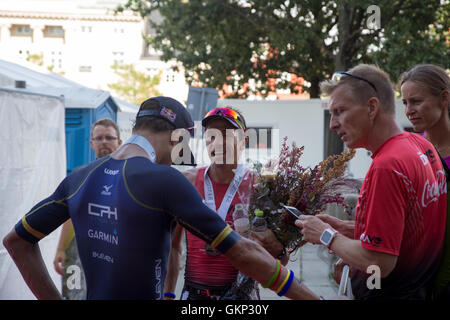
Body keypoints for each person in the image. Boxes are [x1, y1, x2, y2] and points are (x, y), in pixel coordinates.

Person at [2, 96, 320, 300]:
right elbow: (242, 252)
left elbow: (15, 242)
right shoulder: (165, 180)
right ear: (179, 137)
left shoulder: (79, 177)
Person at [295, 64, 447, 299]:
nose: (332, 124)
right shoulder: (421, 145)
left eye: (340, 111)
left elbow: (380, 261)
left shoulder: (387, 166)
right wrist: (348, 229)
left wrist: (326, 235)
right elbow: (409, 231)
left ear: (372, 107)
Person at [163, 107, 289, 300]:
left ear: (243, 142)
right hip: (194, 295)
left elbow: (282, 259)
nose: (218, 143)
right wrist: (168, 294)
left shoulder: (260, 186)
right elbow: (173, 246)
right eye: (211, 136)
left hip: (241, 296)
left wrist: (275, 247)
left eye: (227, 135)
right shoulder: (186, 182)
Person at [53, 118, 122, 299]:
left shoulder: (129, 175)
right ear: (91, 143)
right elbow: (71, 215)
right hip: (82, 252)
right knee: (74, 293)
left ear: (119, 142)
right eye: (99, 138)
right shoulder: (79, 175)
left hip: (118, 252)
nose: (104, 142)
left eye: (109, 137)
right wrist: (61, 248)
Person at [400, 64, 450, 299]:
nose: (409, 110)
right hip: (419, 278)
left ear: (444, 98)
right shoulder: (409, 150)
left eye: (416, 101)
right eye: (405, 103)